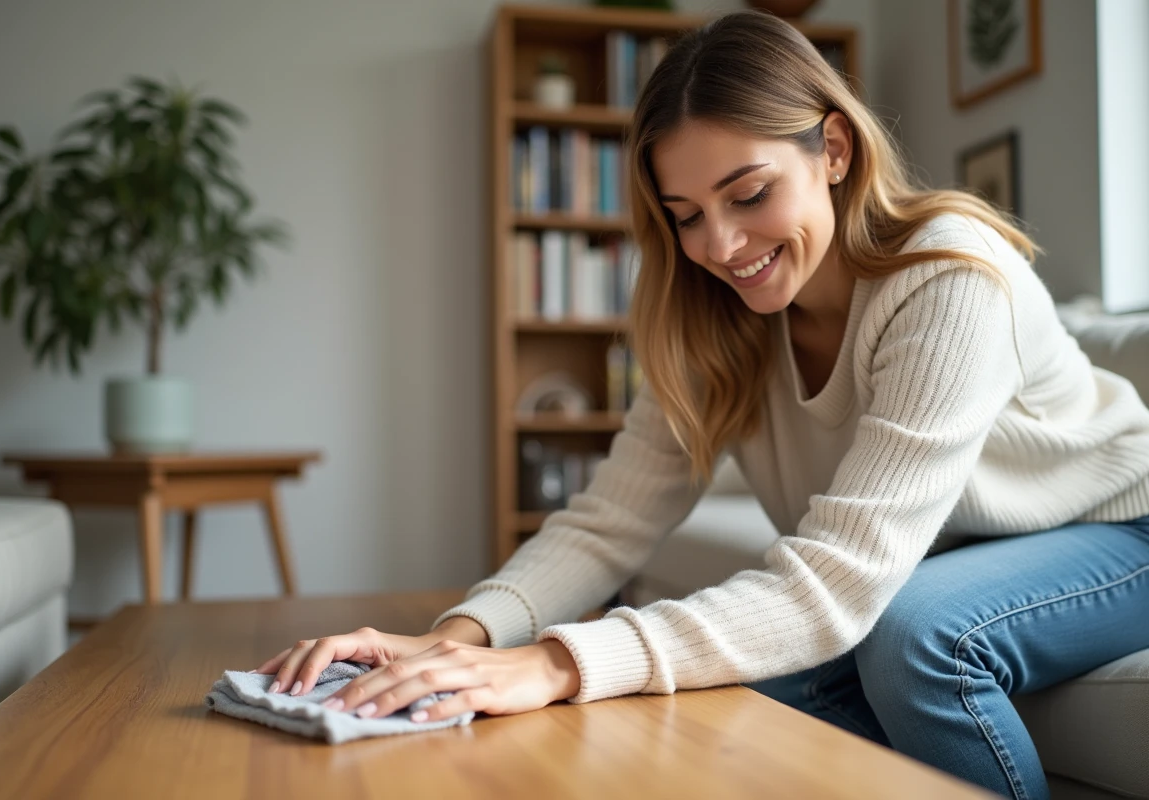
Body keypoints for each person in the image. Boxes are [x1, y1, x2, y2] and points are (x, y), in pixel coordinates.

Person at [253, 11, 1149, 799]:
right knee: (719, 699)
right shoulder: (718, 320)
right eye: (684, 214)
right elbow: (608, 524)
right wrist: (454, 641)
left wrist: (558, 662)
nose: (719, 245)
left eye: (749, 194)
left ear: (833, 150)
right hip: (935, 559)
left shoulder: (949, 275)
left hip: (1118, 532)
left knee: (915, 636)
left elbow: (842, 580)